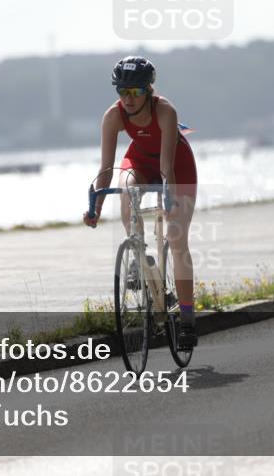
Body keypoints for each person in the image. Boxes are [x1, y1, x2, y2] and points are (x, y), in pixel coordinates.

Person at [83, 56, 199, 349]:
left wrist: (170, 197)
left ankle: (187, 321)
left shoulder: (165, 111)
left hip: (175, 163)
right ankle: (137, 252)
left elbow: (166, 168)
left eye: (135, 92)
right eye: (123, 92)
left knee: (177, 240)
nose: (129, 99)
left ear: (149, 89)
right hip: (139, 160)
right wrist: (95, 207)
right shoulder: (113, 116)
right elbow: (106, 170)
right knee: (126, 188)